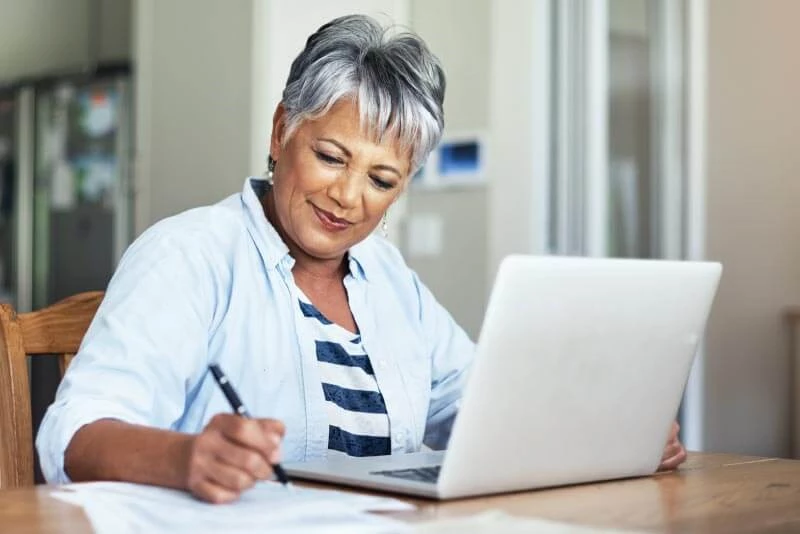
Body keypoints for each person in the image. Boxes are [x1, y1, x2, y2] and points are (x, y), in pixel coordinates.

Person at [36, 14, 687, 504]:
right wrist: (185, 458)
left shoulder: (388, 277)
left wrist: (608, 434)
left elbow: (479, 409)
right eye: (330, 157)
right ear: (280, 130)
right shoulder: (190, 256)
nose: (348, 199)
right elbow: (72, 436)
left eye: (382, 180)